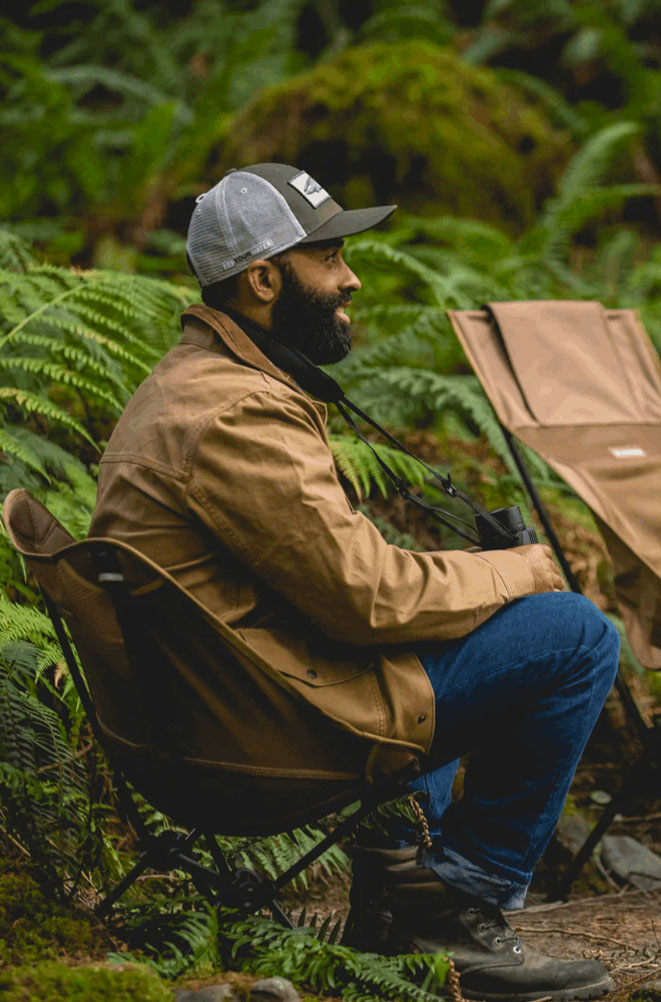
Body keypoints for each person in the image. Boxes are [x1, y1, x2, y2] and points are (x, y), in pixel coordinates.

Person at [90, 163, 620, 1002]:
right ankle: (452, 909)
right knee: (576, 634)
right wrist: (519, 570)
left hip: (223, 702)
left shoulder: (196, 386)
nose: (351, 279)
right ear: (264, 279)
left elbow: (349, 585)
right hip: (258, 730)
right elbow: (370, 599)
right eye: (329, 257)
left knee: (447, 620)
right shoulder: (238, 415)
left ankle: (402, 901)